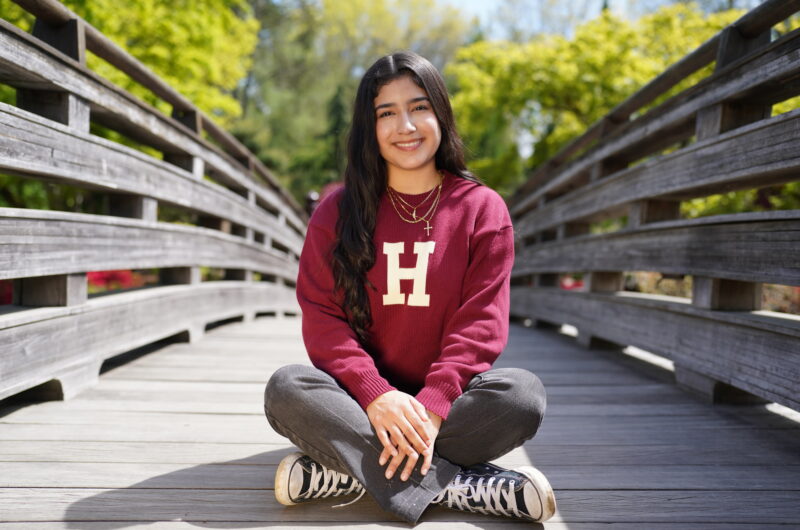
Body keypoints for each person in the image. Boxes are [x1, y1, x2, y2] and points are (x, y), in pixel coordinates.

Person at [263, 50, 556, 525]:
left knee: (522, 397)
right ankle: (459, 486)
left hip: (447, 403)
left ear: (441, 113)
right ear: (369, 127)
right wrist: (375, 394)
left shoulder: (482, 209)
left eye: (419, 107)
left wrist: (435, 404)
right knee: (287, 388)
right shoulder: (337, 211)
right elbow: (322, 318)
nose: (406, 125)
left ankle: (348, 471)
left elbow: (481, 325)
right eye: (387, 113)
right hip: (360, 400)